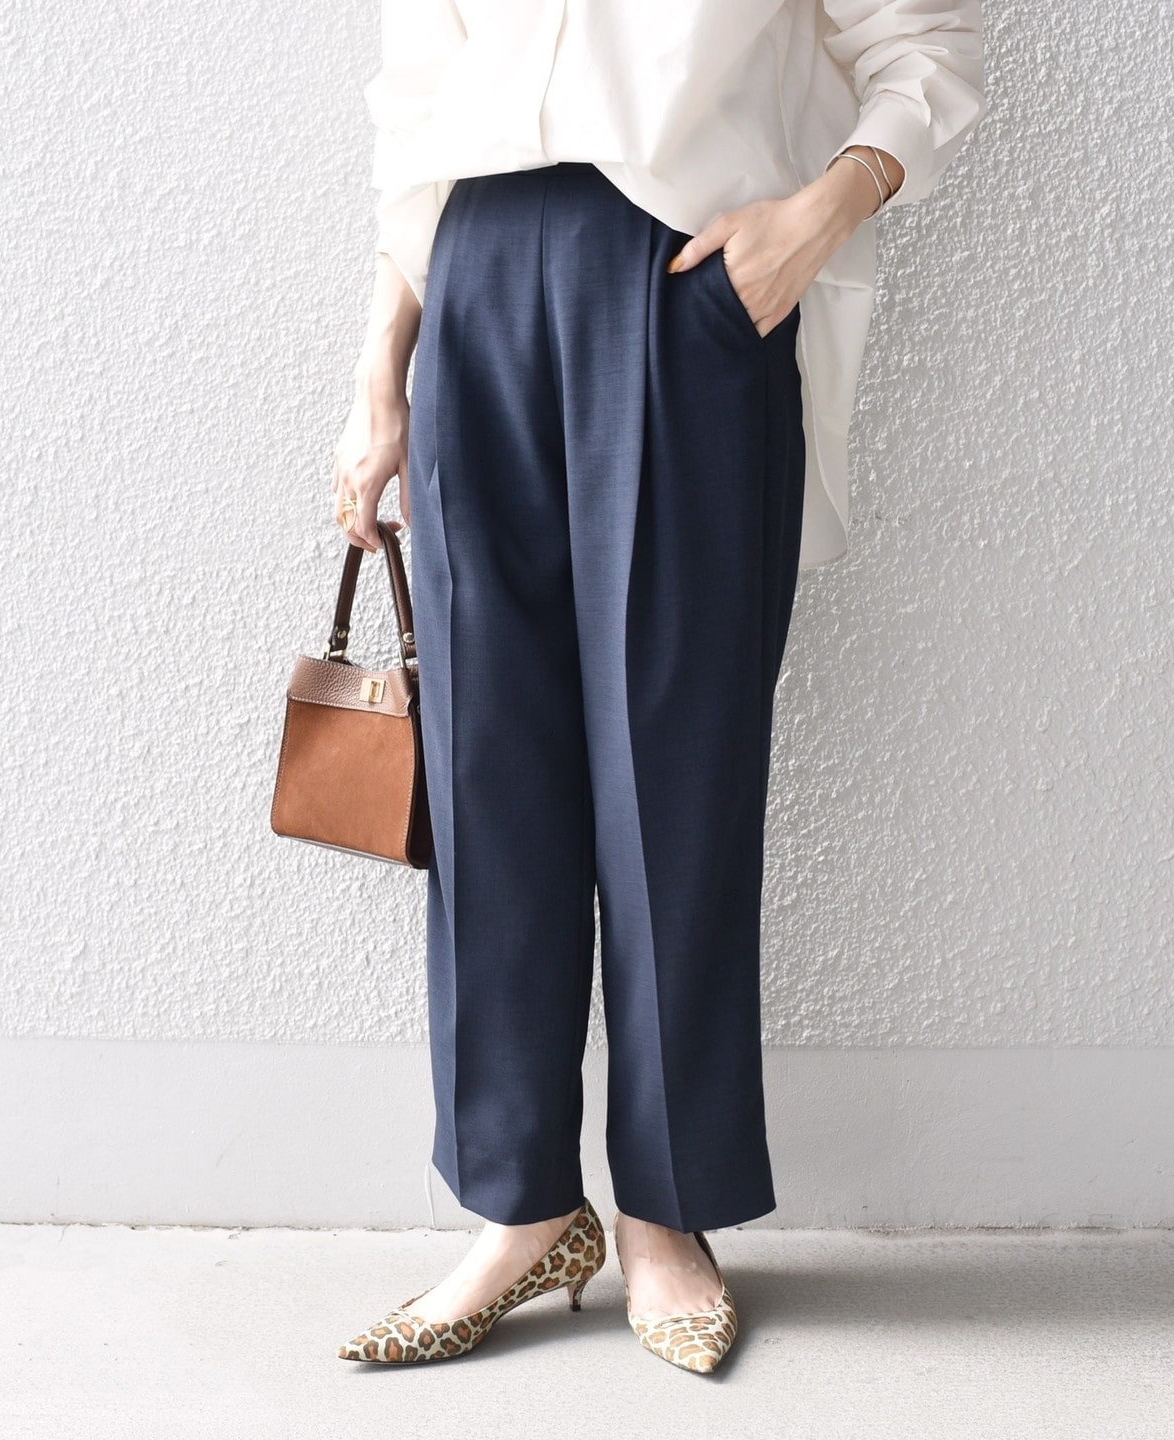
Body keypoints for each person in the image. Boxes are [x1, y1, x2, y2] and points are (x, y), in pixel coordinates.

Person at [332, 0, 985, 1374]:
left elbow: (920, 48)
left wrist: (814, 219)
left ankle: (666, 1212)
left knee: (672, 781)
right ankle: (521, 1206)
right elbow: (423, 108)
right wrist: (381, 369)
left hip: (679, 281)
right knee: (485, 772)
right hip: (472, 286)